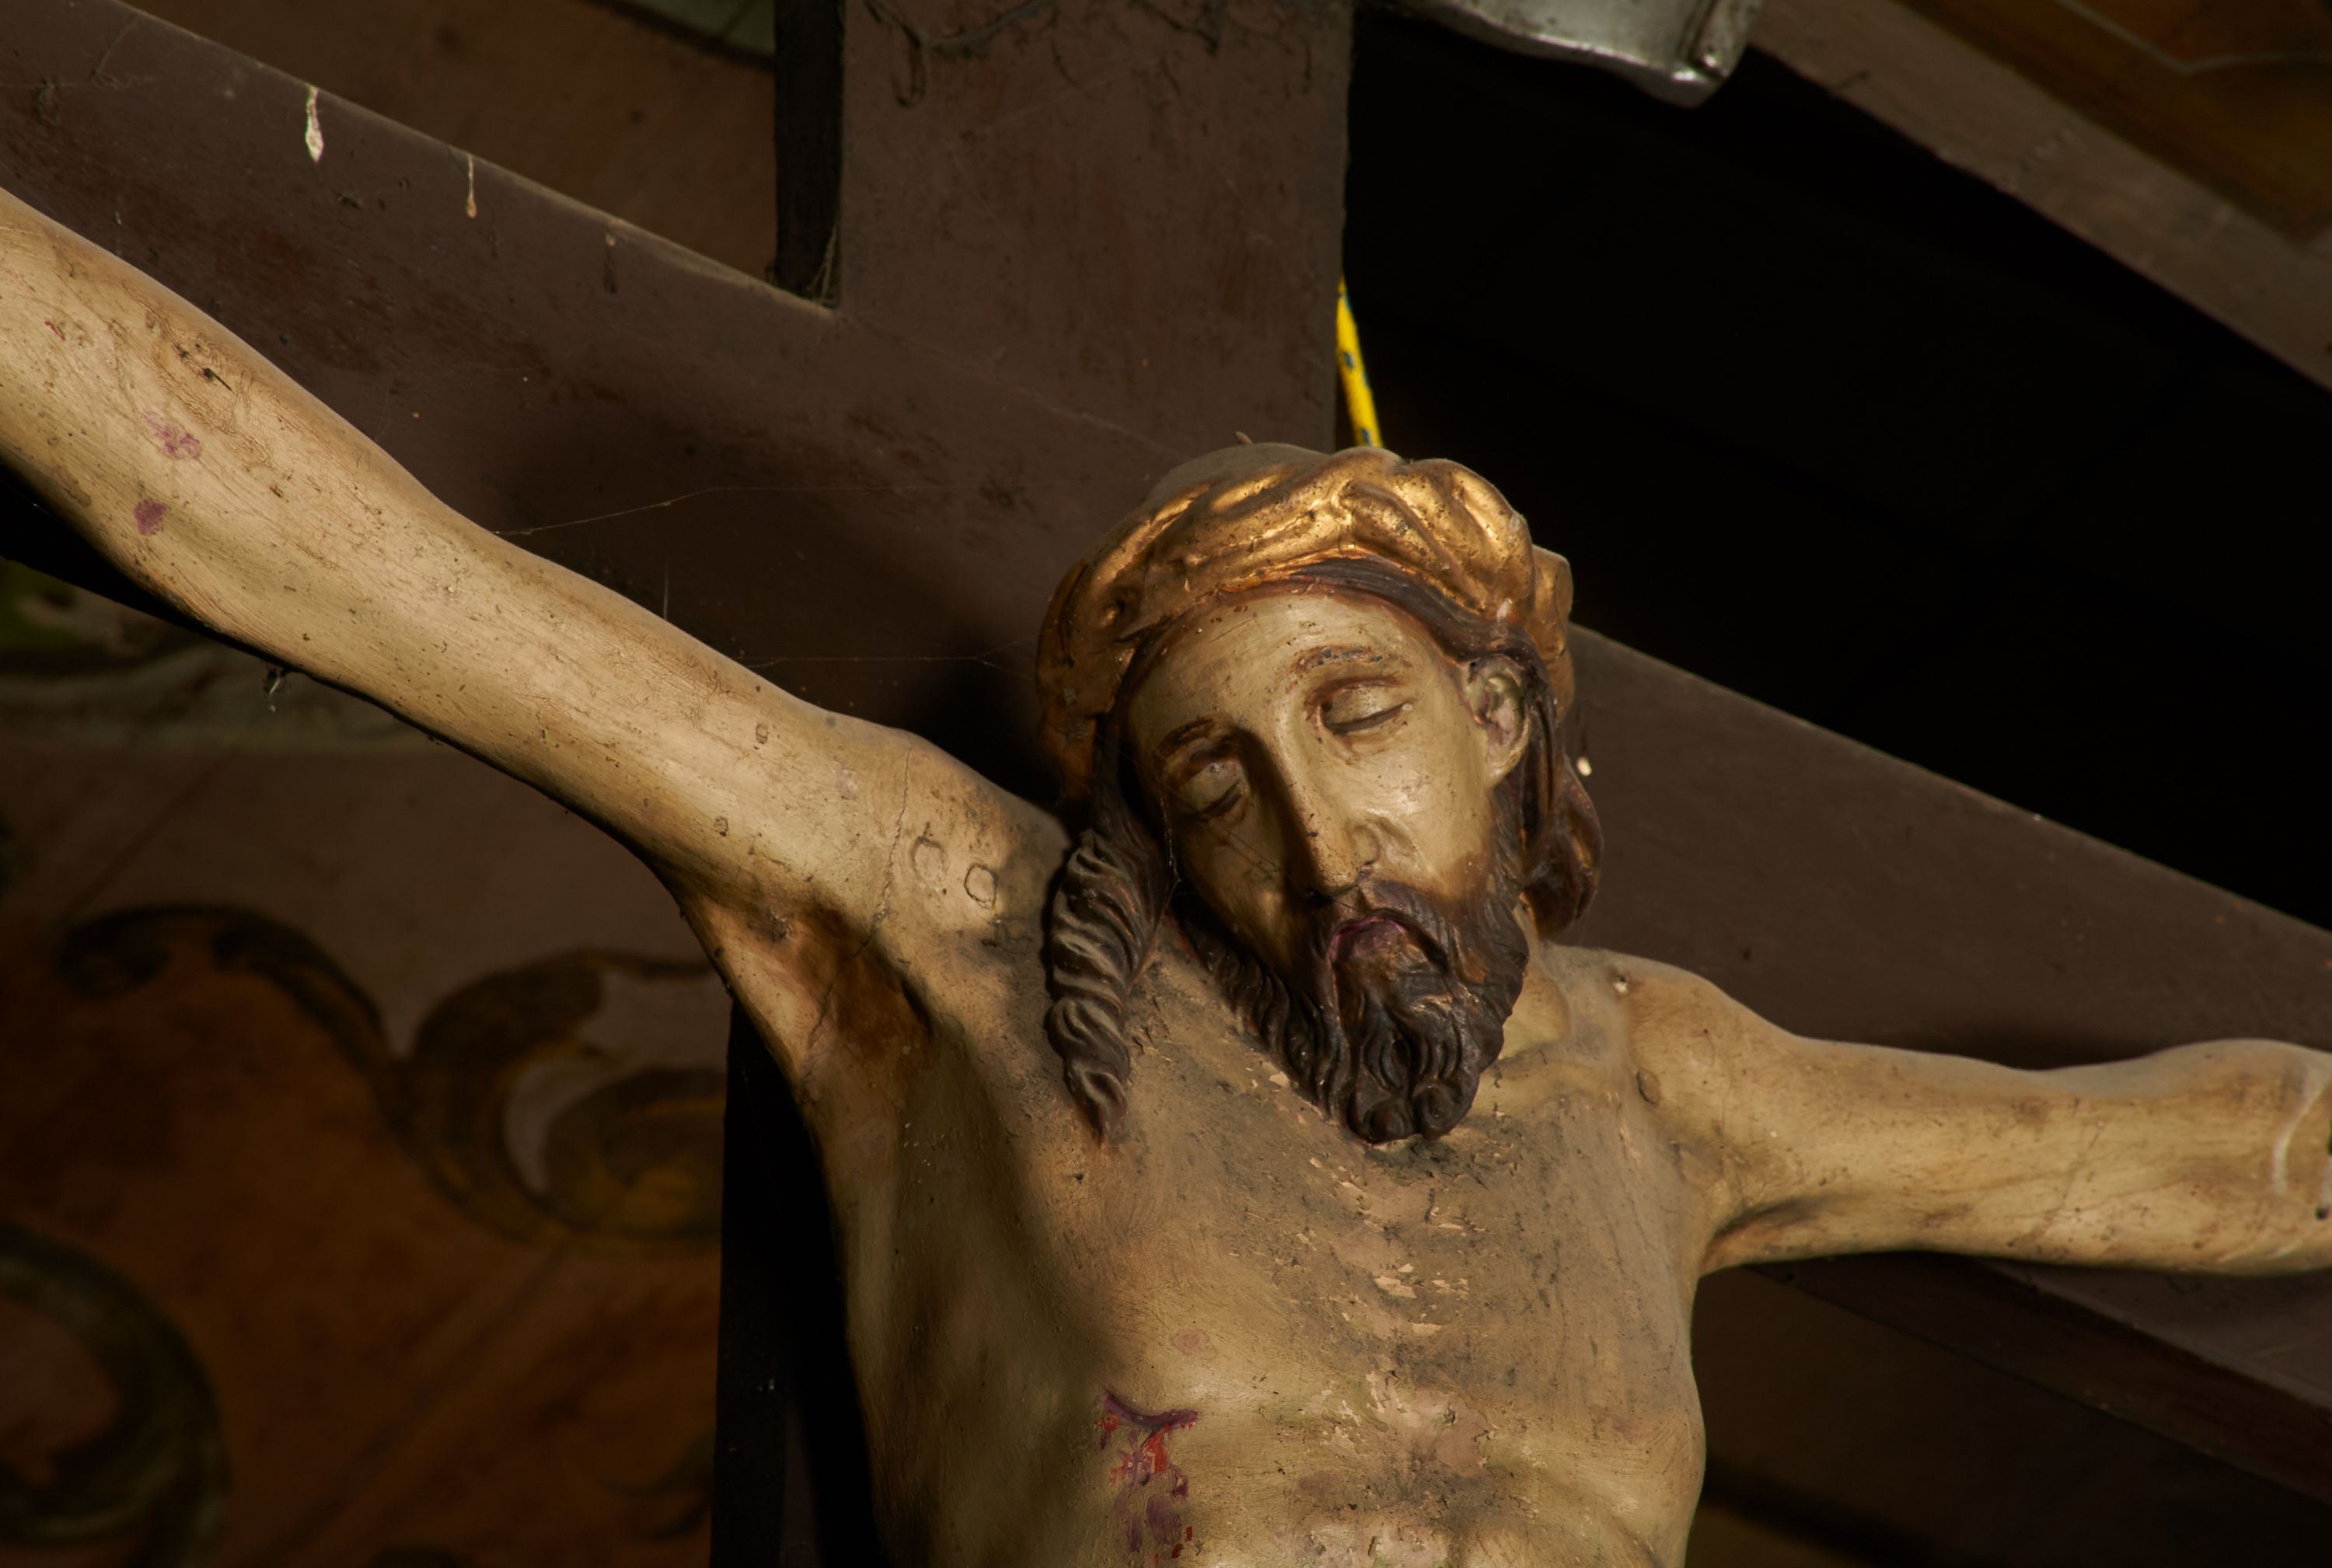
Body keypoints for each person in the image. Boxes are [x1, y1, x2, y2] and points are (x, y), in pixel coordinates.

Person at [6, 182, 2329, 1567]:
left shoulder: (1668, 1086)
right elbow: (362, 564)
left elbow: (2219, 1157)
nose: (1317, 843)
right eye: (1218, 782)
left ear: (1498, 718)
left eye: (1358, 717)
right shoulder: (959, 926)